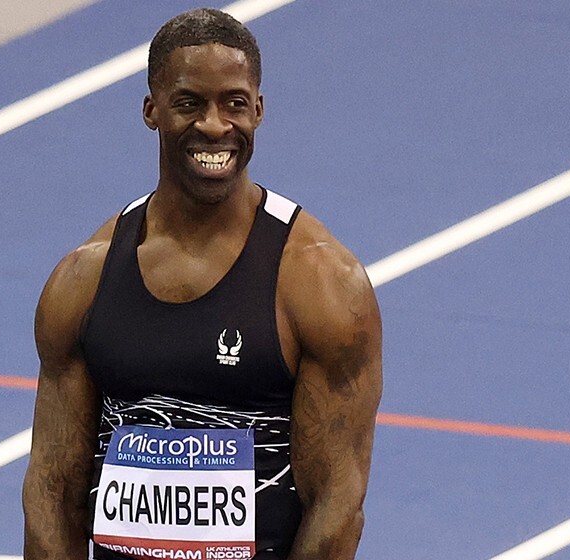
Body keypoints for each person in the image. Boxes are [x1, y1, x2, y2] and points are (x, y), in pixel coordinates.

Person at [23, 8, 381, 560]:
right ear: (152, 110)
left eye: (234, 103)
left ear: (258, 110)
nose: (214, 126)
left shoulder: (320, 283)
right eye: (189, 103)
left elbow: (337, 505)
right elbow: (53, 492)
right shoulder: (84, 279)